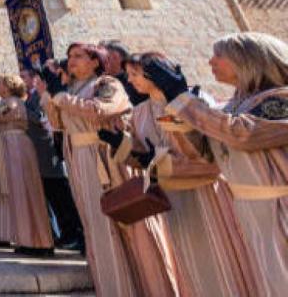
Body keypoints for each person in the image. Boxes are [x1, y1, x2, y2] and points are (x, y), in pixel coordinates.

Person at [98, 52, 260, 296]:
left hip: (206, 192)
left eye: (135, 74)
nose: (130, 80)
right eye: (128, 75)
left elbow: (209, 157)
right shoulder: (140, 112)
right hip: (173, 197)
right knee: (190, 265)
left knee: (222, 258)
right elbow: (145, 154)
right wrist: (124, 146)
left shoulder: (193, 101)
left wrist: (158, 160)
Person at [36, 44, 178, 297]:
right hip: (79, 158)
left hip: (105, 158)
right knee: (95, 222)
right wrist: (50, 93)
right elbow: (58, 123)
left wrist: (60, 97)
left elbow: (101, 110)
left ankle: (148, 286)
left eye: (79, 56)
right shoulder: (70, 89)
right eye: (69, 57)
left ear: (95, 61)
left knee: (123, 221)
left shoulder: (107, 84)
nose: (71, 61)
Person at [153, 32, 288, 296]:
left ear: (247, 60)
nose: (210, 62)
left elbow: (242, 134)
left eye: (219, 56)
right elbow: (209, 153)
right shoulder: (236, 104)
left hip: (281, 207)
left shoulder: (280, 98)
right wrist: (185, 121)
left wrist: (185, 101)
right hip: (252, 210)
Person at [0, 75, 54, 255]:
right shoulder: (7, 101)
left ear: (7, 87)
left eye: (0, 83)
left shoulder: (12, 101)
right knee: (17, 193)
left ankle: (38, 242)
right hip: (8, 146)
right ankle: (26, 238)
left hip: (14, 146)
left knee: (24, 191)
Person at [18, 68, 82, 250]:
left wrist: (22, 110)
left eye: (24, 77)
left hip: (49, 152)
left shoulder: (40, 97)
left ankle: (74, 233)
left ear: (36, 79)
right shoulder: (31, 97)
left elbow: (41, 118)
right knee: (53, 196)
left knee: (61, 195)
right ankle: (65, 232)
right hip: (40, 154)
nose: (21, 80)